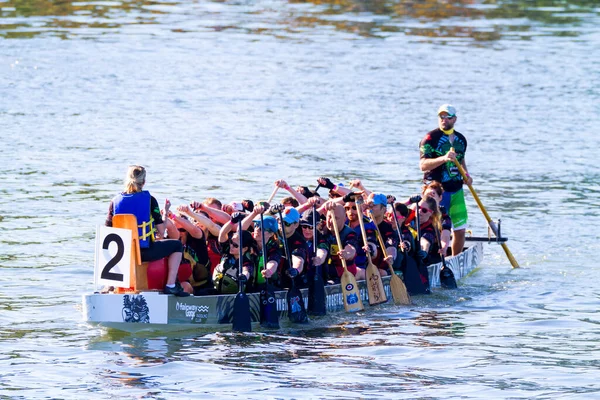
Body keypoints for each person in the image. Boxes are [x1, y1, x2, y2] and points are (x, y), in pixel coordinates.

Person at [105, 165, 189, 297]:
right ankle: (171, 285)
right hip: (144, 252)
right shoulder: (150, 200)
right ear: (143, 182)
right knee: (177, 246)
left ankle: (110, 284)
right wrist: (165, 213)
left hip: (121, 254)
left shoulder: (114, 202)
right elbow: (161, 232)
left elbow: (107, 234)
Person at [420, 104, 472, 256]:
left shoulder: (461, 139)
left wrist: (466, 176)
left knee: (460, 229)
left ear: (454, 119)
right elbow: (423, 165)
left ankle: (455, 259)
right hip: (436, 192)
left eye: (447, 117)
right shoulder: (430, 139)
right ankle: (432, 256)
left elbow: (461, 160)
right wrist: (443, 158)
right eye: (441, 116)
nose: (443, 119)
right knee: (438, 228)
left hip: (456, 190)